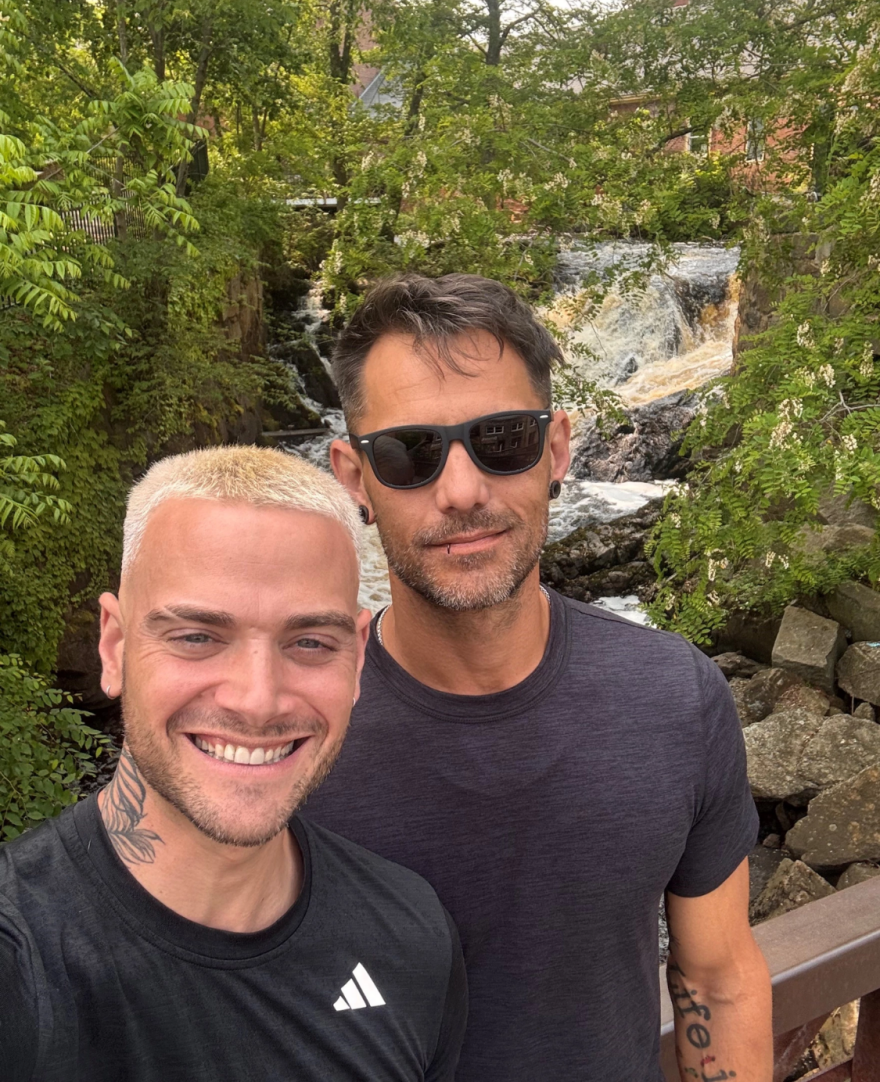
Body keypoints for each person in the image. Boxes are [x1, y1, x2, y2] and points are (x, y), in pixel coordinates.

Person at [300, 274, 773, 1082]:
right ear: (354, 478)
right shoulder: (290, 735)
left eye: (503, 440)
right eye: (410, 452)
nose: (462, 491)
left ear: (556, 450)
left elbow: (717, 978)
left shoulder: (675, 700)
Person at [0, 446, 466, 1082]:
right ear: (113, 646)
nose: (257, 699)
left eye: (309, 642)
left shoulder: (410, 934)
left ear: (356, 660)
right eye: (196, 637)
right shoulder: (19, 961)